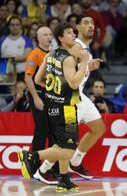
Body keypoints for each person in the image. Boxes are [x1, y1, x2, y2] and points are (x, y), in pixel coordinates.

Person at [20, 22, 89, 191]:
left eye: (73, 33)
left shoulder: (50, 55)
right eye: (69, 33)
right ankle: (32, 156)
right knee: (69, 151)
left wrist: (54, 90)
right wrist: (85, 62)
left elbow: (37, 79)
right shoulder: (68, 59)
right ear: (60, 38)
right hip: (67, 108)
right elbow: (73, 83)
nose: (73, 35)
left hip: (53, 106)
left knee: (60, 145)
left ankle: (64, 179)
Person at [35, 14, 105, 181]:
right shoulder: (75, 47)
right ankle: (43, 170)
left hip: (80, 95)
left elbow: (74, 69)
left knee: (99, 128)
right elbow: (65, 72)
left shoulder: (83, 48)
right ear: (77, 28)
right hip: (71, 97)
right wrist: (57, 90)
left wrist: (88, 66)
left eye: (92, 23)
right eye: (86, 23)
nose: (90, 26)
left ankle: (76, 160)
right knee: (65, 143)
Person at [24, 26, 54, 179]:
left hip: (51, 95)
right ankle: (34, 166)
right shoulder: (34, 54)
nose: (49, 37)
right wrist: (35, 98)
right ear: (38, 37)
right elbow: (28, 78)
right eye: (45, 35)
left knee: (52, 131)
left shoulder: (54, 54)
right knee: (41, 129)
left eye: (50, 34)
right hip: (38, 94)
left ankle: (49, 167)